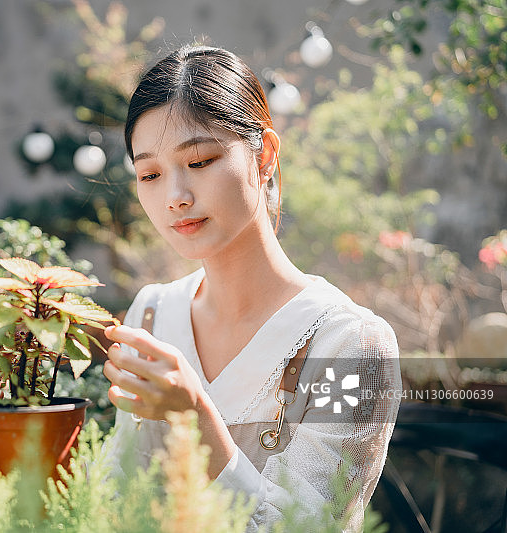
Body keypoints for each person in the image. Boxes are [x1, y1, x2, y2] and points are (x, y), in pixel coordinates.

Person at [101, 44, 401, 531]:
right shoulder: (152, 315)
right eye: (150, 174)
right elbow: (118, 492)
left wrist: (196, 416)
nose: (175, 198)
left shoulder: (350, 344)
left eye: (198, 161)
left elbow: (310, 525)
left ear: (264, 155)